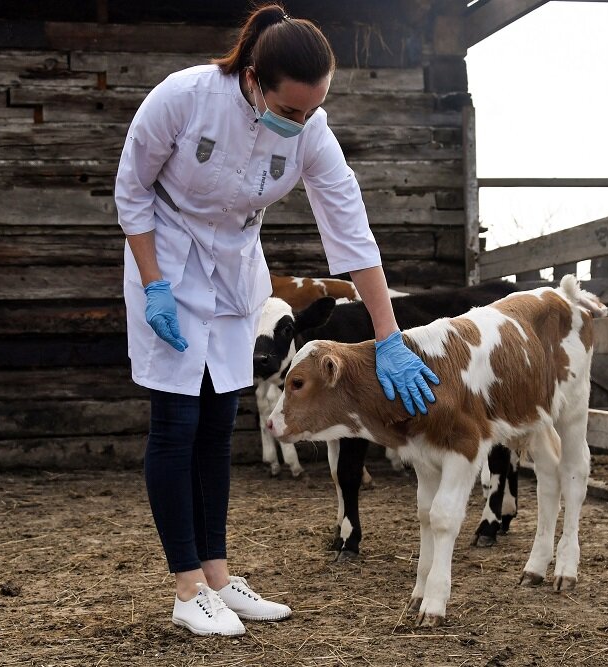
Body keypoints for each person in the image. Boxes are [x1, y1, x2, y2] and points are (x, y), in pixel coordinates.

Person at [114, 3, 439, 637]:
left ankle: (216, 577)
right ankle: (185, 590)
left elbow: (351, 233)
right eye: (292, 110)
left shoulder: (311, 133)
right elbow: (131, 189)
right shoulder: (184, 98)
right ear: (256, 81)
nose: (303, 122)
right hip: (170, 264)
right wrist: (154, 281)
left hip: (236, 273)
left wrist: (388, 334)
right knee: (177, 420)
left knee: (215, 424)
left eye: (314, 109)